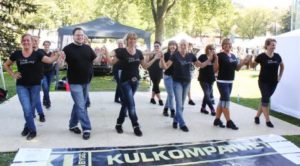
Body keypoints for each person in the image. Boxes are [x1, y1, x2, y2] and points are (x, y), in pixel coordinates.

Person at [3, 33, 60, 140]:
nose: (26, 42)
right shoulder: (17, 54)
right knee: (27, 109)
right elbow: (6, 64)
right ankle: (33, 130)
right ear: (21, 42)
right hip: (21, 86)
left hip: (35, 85)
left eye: (28, 40)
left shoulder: (37, 54)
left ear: (32, 42)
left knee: (30, 109)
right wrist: (13, 74)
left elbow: (49, 60)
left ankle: (27, 127)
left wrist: (58, 54)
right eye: (24, 40)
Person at [106, 32, 160, 137]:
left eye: (134, 39)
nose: (132, 41)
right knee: (131, 104)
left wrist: (155, 58)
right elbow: (111, 61)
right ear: (127, 40)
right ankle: (136, 126)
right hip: (124, 81)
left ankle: (118, 124)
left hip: (135, 81)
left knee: (126, 103)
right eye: (130, 39)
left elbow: (145, 66)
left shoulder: (139, 53)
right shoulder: (120, 51)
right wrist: (106, 52)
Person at [160, 39, 213, 132]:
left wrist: (209, 58)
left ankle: (175, 120)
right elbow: (165, 66)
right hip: (177, 82)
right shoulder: (175, 55)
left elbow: (200, 65)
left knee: (182, 104)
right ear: (179, 46)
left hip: (187, 82)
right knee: (179, 103)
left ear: (188, 46)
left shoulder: (191, 56)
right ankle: (182, 123)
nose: (183, 47)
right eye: (181, 45)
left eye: (185, 45)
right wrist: (161, 59)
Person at [61, 27, 100, 140]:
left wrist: (101, 54)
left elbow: (96, 61)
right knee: (82, 105)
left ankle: (72, 125)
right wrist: (60, 60)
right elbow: (61, 66)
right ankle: (86, 128)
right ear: (73, 36)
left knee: (79, 105)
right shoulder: (67, 49)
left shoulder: (87, 48)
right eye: (78, 35)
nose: (80, 37)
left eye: (82, 35)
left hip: (86, 82)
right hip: (74, 82)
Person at [213, 38, 251, 130]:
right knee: (226, 101)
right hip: (222, 82)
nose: (227, 46)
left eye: (229, 44)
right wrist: (216, 60)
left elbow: (237, 68)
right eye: (225, 44)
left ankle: (217, 119)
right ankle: (229, 121)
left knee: (222, 101)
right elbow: (215, 70)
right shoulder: (219, 55)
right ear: (222, 46)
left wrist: (244, 61)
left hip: (230, 82)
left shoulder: (233, 56)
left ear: (231, 45)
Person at [251, 38, 284, 128]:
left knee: (264, 99)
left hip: (274, 82)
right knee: (266, 99)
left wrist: (280, 76)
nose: (274, 46)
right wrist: (252, 59)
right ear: (267, 46)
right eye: (272, 44)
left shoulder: (277, 56)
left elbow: (282, 65)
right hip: (263, 82)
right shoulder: (261, 56)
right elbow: (252, 66)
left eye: (275, 44)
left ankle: (257, 117)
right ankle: (268, 120)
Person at [198, 44, 217, 116]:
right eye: (211, 49)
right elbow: (199, 65)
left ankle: (203, 108)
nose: (212, 50)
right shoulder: (202, 56)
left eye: (214, 49)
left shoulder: (215, 58)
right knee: (207, 94)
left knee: (207, 95)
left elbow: (216, 68)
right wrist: (209, 59)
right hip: (203, 78)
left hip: (211, 79)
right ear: (207, 49)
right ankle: (212, 109)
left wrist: (215, 58)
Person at [31, 36, 46, 122]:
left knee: (35, 97)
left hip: (38, 78)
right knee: (32, 98)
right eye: (33, 40)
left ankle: (40, 114)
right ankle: (32, 113)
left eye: (37, 41)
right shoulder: (27, 51)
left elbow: (48, 61)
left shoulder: (41, 52)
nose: (35, 42)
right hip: (27, 79)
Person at [162, 40, 177, 117]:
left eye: (174, 45)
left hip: (176, 78)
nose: (173, 46)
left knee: (170, 94)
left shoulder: (178, 54)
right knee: (171, 94)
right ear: (168, 46)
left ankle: (165, 109)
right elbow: (162, 66)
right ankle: (172, 110)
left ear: (176, 46)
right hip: (168, 76)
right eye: (171, 45)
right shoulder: (165, 55)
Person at [148, 41, 164, 106]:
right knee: (156, 84)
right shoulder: (151, 53)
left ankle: (152, 98)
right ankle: (160, 99)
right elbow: (148, 60)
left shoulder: (162, 53)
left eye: (157, 46)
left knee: (156, 84)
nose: (156, 47)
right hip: (152, 71)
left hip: (159, 71)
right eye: (155, 46)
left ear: (160, 47)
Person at [41, 40, 55, 109]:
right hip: (42, 73)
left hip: (50, 72)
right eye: (45, 45)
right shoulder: (41, 52)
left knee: (47, 88)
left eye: (48, 45)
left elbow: (55, 60)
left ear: (49, 46)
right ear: (43, 45)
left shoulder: (52, 53)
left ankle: (44, 99)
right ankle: (48, 102)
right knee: (45, 87)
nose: (46, 46)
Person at [112, 39, 125, 103]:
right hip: (117, 69)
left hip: (123, 70)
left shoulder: (125, 50)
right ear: (118, 44)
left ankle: (116, 99)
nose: (120, 44)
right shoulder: (115, 51)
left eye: (122, 43)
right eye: (119, 43)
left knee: (119, 84)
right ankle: (122, 99)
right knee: (120, 84)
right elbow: (113, 61)